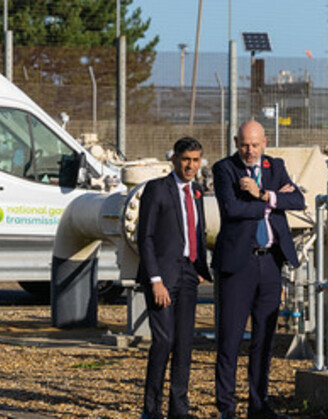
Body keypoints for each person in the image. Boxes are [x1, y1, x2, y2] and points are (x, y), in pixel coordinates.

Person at [212, 120, 305, 419]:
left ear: (265, 142)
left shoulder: (274, 166)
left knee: (264, 336)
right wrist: (273, 202)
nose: (249, 151)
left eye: (255, 145)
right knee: (230, 338)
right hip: (238, 264)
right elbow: (232, 209)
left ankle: (258, 404)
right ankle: (227, 407)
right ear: (236, 141)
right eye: (244, 145)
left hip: (270, 261)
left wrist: (263, 194)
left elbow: (298, 200)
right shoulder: (224, 169)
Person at [137, 137, 212, 419]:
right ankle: (151, 410)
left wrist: (198, 268)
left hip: (188, 273)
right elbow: (145, 237)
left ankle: (178, 410)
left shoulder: (197, 192)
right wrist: (155, 279)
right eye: (186, 160)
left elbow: (198, 231)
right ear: (174, 160)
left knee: (183, 343)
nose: (191, 166)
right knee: (164, 341)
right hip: (162, 277)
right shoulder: (157, 190)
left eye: (196, 160)